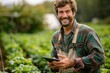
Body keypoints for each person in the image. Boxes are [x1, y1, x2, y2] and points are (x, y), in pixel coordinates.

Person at [48, 0, 105, 73]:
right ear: (57, 14)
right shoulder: (55, 37)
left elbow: (100, 57)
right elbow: (54, 58)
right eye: (61, 12)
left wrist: (73, 62)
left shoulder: (87, 32)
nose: (64, 16)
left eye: (67, 11)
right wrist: (53, 66)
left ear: (73, 13)